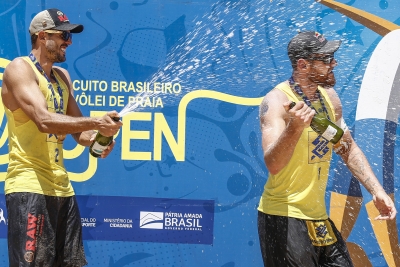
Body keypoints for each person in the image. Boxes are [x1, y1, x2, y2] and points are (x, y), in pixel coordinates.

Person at [257, 31, 397, 267]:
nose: (334, 63)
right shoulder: (276, 101)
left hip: (318, 218)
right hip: (284, 217)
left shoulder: (329, 98)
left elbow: (347, 147)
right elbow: (273, 164)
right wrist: (294, 128)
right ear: (303, 65)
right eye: (326, 58)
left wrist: (376, 190)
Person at [1, 8, 122, 267]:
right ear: (43, 36)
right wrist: (94, 120)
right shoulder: (19, 68)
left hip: (62, 189)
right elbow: (44, 121)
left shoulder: (61, 77)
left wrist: (100, 136)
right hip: (29, 187)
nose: (69, 42)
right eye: (64, 35)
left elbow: (81, 134)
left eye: (70, 36)